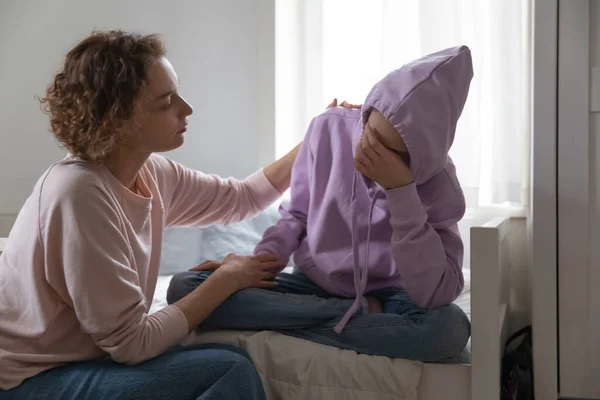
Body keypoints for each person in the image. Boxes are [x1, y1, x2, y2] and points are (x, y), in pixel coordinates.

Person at [0, 30, 351, 399]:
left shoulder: (150, 172)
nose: (186, 108)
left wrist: (315, 135)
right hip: (31, 379)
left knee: (221, 359)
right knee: (226, 369)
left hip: (87, 360)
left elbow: (242, 198)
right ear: (118, 119)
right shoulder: (78, 194)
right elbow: (132, 344)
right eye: (167, 102)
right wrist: (226, 280)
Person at [167, 46, 473, 363]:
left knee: (447, 328)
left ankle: (292, 324)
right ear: (366, 113)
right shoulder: (328, 128)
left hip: (394, 294)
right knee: (185, 288)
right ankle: (351, 315)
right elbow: (296, 214)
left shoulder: (440, 183)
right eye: (370, 134)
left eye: (391, 151)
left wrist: (401, 191)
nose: (371, 151)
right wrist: (262, 261)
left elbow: (435, 293)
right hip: (313, 285)